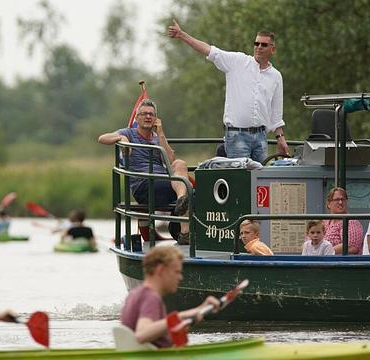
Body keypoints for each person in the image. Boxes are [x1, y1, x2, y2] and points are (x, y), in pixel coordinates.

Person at [168, 20, 289, 164]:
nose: (259, 47)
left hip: (261, 137)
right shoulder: (237, 61)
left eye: (264, 44)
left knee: (259, 182)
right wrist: (182, 35)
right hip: (236, 135)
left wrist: (280, 138)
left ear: (272, 49)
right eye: (256, 43)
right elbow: (209, 50)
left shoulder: (276, 76)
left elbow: (276, 113)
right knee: (239, 181)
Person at [98, 98, 192, 244]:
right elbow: (102, 138)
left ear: (156, 118)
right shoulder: (128, 133)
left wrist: (160, 133)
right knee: (188, 188)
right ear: (137, 118)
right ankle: (184, 214)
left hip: (165, 182)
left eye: (151, 114)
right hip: (144, 184)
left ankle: (182, 207)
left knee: (180, 164)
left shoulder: (157, 138)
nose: (148, 117)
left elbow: (171, 160)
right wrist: (121, 138)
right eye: (144, 114)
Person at [120, 246, 220, 348]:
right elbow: (142, 334)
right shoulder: (151, 297)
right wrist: (180, 316)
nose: (180, 277)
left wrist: (200, 309)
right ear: (161, 270)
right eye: (177, 272)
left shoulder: (134, 294)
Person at [323, 187, 363, 255]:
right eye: (337, 199)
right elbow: (310, 240)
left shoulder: (352, 222)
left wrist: (324, 252)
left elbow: (351, 247)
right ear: (329, 204)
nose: (340, 202)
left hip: (344, 263)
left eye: (343, 199)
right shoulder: (324, 222)